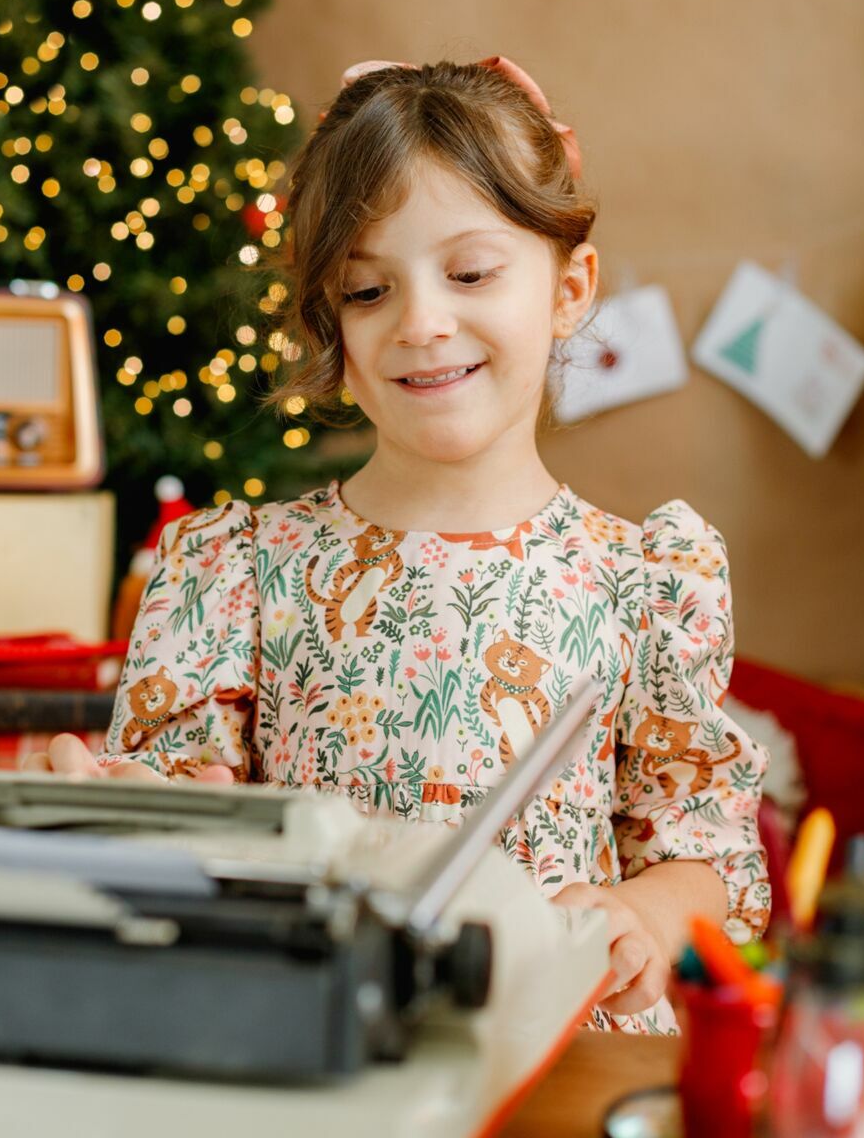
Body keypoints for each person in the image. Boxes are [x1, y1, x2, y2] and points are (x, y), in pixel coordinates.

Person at [37, 56, 770, 1033]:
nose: (421, 322)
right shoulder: (239, 568)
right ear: (329, 325)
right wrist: (135, 814)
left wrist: (639, 911)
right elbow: (185, 825)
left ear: (568, 286)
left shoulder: (642, 579)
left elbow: (704, 852)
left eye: (468, 272)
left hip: (552, 1050)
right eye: (367, 290)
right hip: (315, 1043)